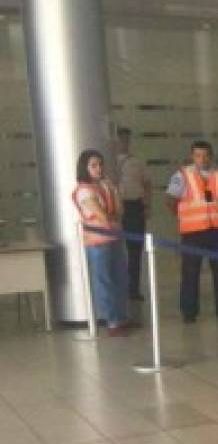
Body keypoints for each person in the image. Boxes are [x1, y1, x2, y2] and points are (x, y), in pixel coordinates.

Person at [165, 141, 218, 323]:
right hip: (193, 231)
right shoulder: (182, 175)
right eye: (198, 155)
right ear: (192, 156)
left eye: (206, 155)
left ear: (211, 157)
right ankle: (189, 312)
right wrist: (181, 216)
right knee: (190, 273)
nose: (202, 159)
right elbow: (170, 200)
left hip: (217, 230)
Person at [72, 150, 137, 337]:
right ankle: (112, 320)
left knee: (121, 279)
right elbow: (101, 215)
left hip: (115, 237)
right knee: (104, 281)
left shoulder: (106, 186)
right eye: (93, 165)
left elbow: (119, 210)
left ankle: (122, 317)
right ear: (85, 167)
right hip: (97, 242)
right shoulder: (84, 190)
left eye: (100, 164)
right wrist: (111, 215)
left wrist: (114, 191)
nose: (98, 168)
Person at [115, 127, 153, 301]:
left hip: (134, 206)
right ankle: (119, 288)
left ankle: (133, 289)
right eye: (121, 139)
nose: (124, 143)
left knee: (135, 250)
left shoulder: (137, 161)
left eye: (126, 139)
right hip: (116, 208)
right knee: (116, 249)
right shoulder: (107, 161)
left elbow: (147, 184)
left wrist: (147, 205)